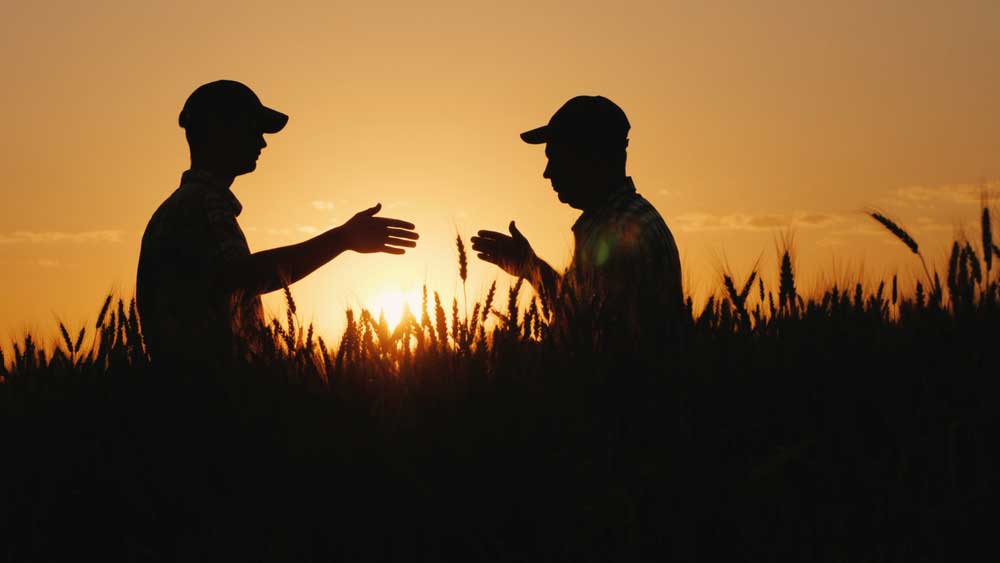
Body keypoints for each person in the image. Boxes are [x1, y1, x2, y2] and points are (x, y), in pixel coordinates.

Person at [136, 80, 419, 364]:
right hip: (209, 395)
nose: (262, 142)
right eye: (252, 129)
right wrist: (342, 239)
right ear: (220, 129)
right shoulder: (205, 204)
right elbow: (243, 277)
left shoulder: (177, 208)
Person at [471, 95, 682, 335]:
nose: (547, 173)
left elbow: (587, 335)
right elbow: (581, 310)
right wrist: (531, 267)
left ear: (591, 156)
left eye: (556, 158)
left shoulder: (618, 232)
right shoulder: (630, 217)